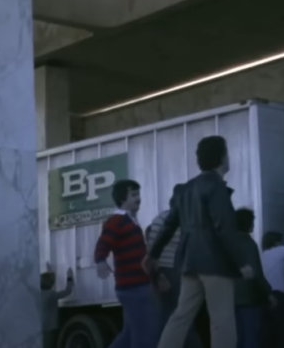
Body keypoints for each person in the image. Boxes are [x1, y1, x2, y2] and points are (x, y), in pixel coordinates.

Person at [144, 136, 252, 348]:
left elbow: (169, 225)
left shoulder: (185, 189)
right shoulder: (217, 187)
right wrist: (241, 262)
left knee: (181, 316)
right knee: (222, 321)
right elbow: (224, 229)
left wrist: (153, 254)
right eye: (227, 153)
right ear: (222, 157)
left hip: (188, 262)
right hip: (215, 264)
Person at [94, 179, 158, 348]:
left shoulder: (130, 221)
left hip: (131, 286)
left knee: (129, 335)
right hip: (133, 286)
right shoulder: (117, 221)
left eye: (139, 194)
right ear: (123, 199)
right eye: (134, 195)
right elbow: (103, 243)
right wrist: (100, 260)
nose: (139, 198)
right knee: (144, 336)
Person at [145, 209, 202, 348]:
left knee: (173, 318)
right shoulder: (188, 217)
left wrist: (156, 275)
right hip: (178, 271)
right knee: (182, 318)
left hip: (168, 271)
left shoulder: (162, 219)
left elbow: (152, 250)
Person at [232, 208, 271, 348]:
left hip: (230, 296)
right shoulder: (249, 244)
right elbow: (256, 273)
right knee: (251, 337)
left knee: (237, 337)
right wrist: (269, 293)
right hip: (249, 297)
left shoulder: (227, 242)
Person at [260, 232, 284, 348]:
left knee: (268, 332)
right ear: (276, 242)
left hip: (264, 295)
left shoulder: (262, 255)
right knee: (282, 331)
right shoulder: (280, 250)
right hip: (279, 295)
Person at [41, 266, 75, 348]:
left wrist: (50, 271)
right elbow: (68, 291)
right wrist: (69, 277)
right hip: (51, 328)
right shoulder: (51, 294)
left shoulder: (38, 294)